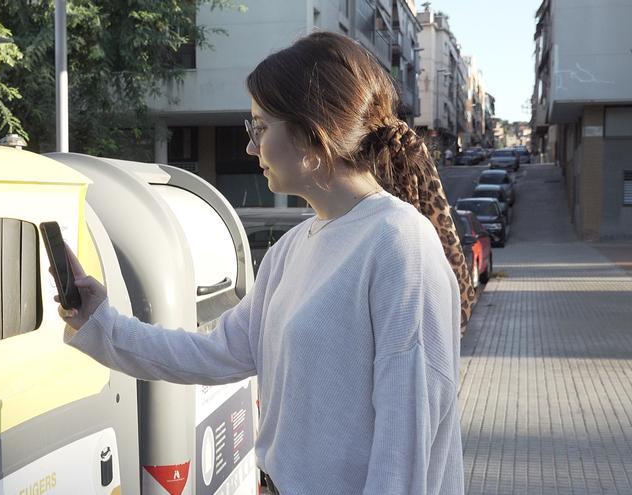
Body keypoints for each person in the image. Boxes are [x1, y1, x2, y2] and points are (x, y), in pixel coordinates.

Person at [55, 32, 470, 494]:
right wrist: (100, 321)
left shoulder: (399, 244)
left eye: (260, 128)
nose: (251, 148)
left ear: (315, 133)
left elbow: (406, 451)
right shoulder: (292, 248)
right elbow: (215, 352)